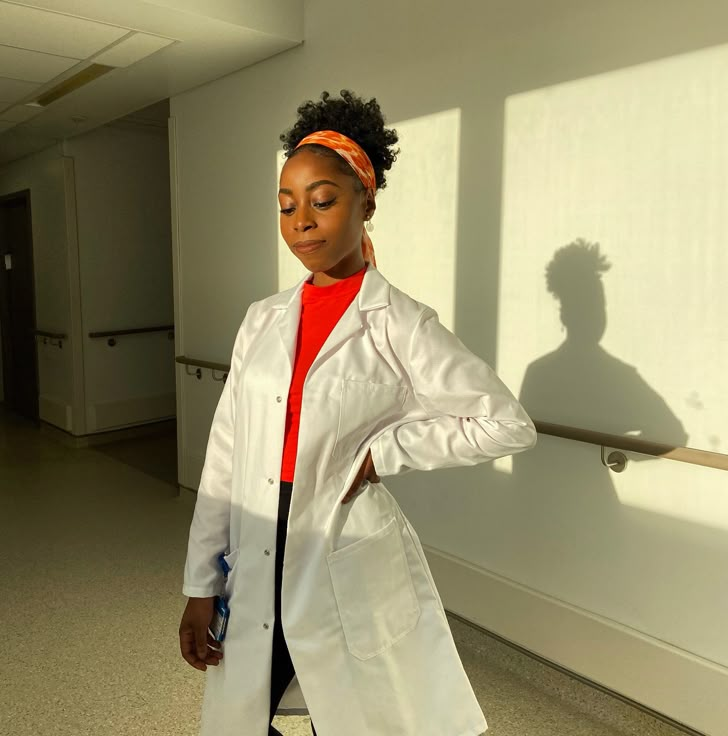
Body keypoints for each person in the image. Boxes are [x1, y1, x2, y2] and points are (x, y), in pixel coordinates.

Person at [179, 90, 537, 736]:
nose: (301, 221)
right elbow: (224, 457)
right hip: (258, 532)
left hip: (340, 544)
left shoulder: (398, 322)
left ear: (366, 201)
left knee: (350, 713)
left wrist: (386, 451)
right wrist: (199, 582)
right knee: (242, 712)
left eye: (323, 200)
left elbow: (505, 420)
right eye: (287, 205)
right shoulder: (262, 321)